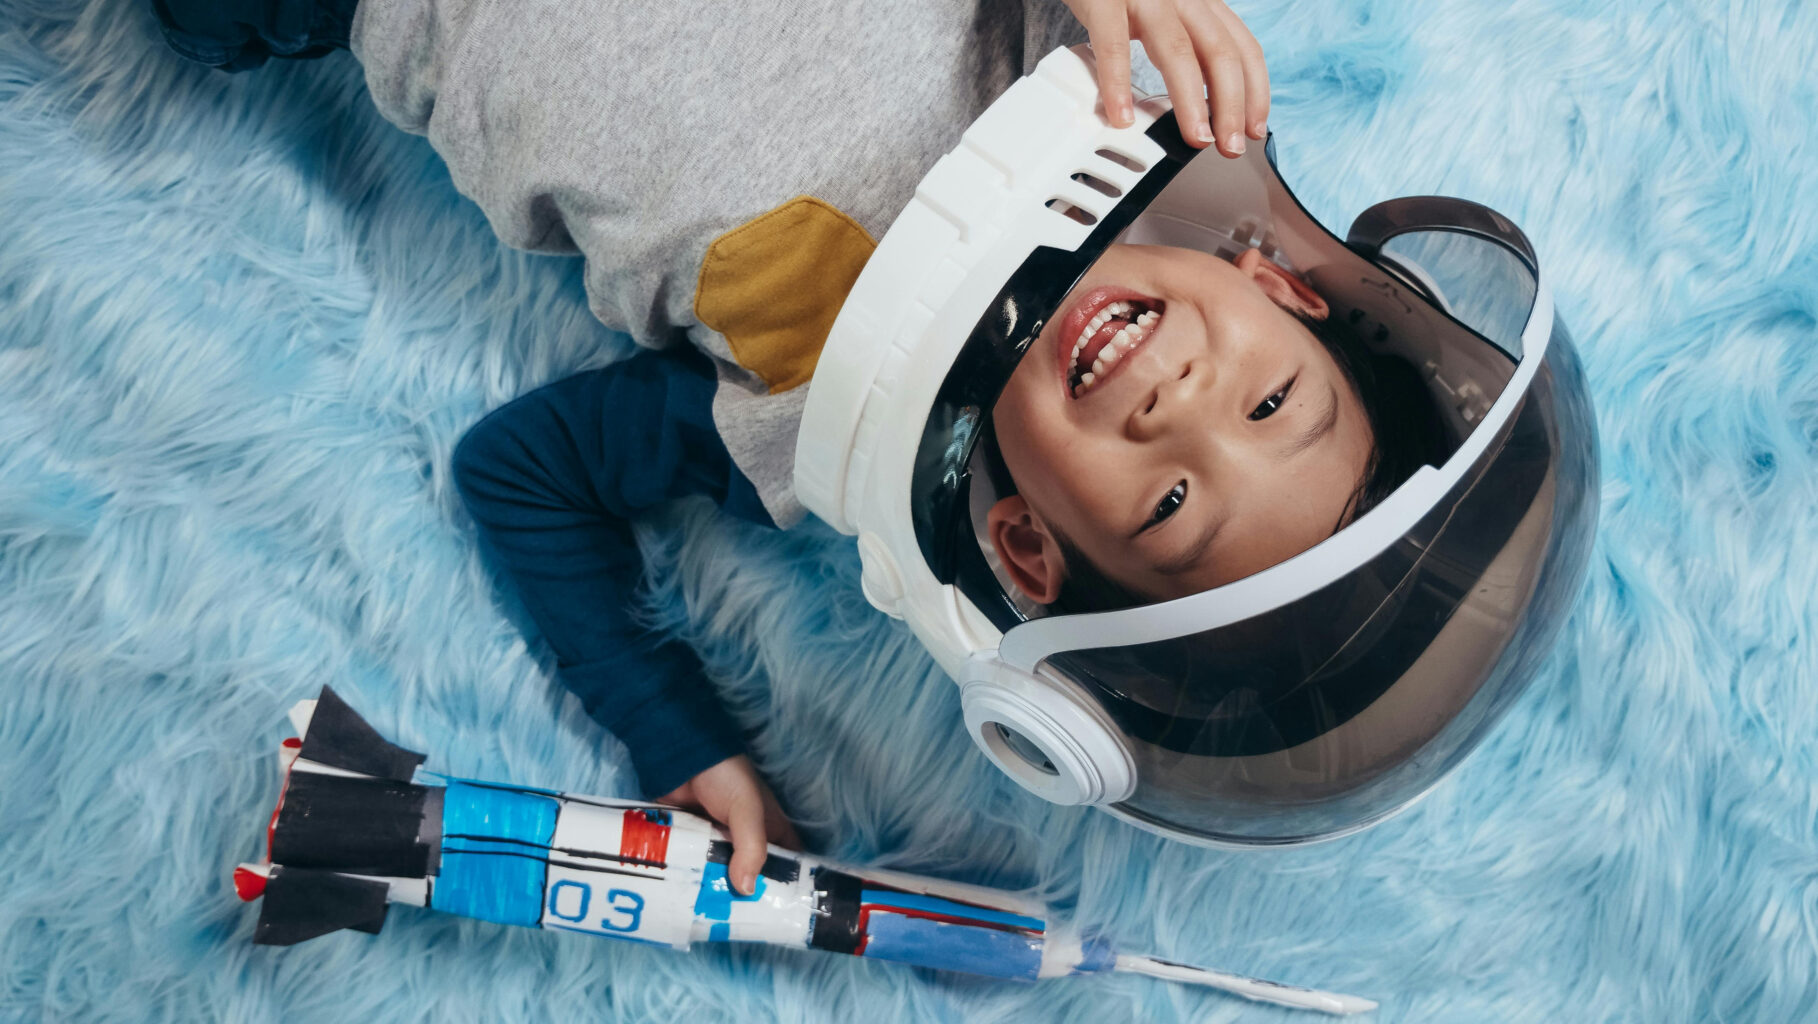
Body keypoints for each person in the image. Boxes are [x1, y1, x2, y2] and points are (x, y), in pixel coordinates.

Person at [152, 0, 1350, 895]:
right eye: (1270, 404)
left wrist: (673, 726)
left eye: (1170, 503)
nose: (1177, 404)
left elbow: (521, 475)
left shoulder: (810, 430)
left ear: (1027, 547)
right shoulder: (1095, 65)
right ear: (1277, 285)